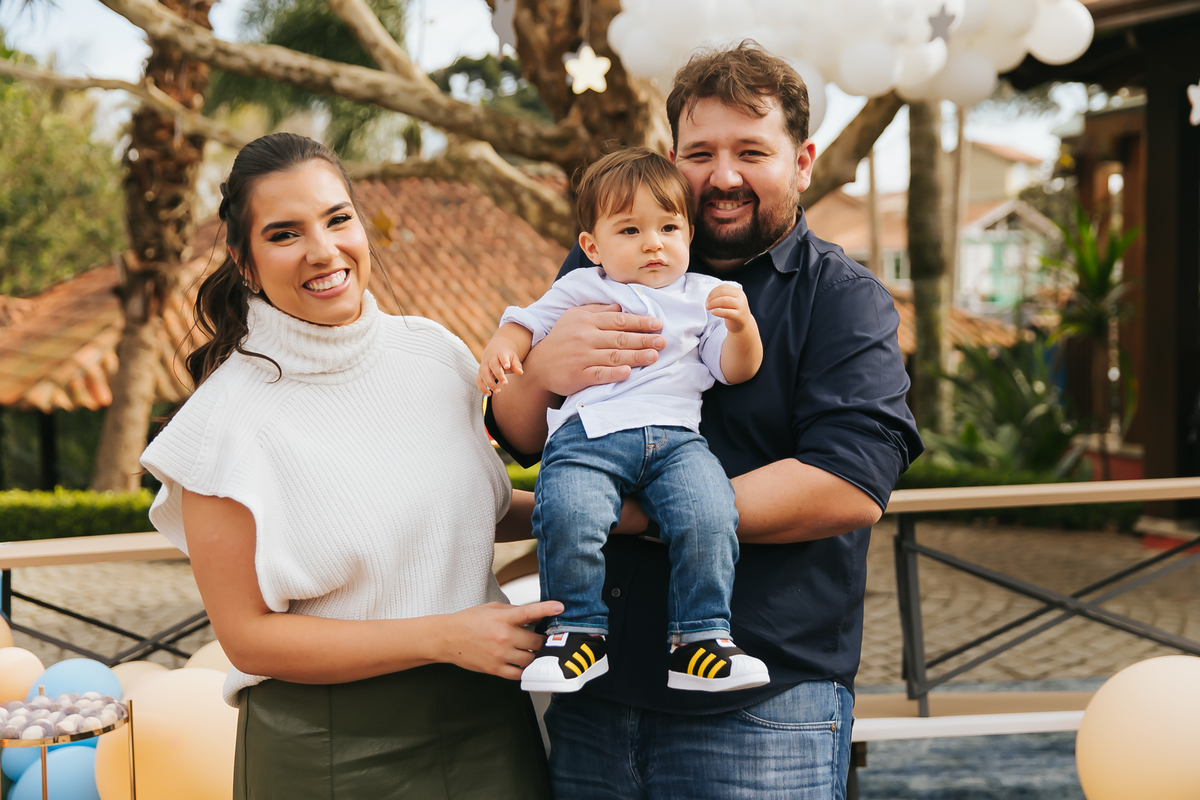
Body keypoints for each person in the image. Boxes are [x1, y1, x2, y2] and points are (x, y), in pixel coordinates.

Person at [487, 42, 924, 799]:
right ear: (671, 161)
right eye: (700, 154)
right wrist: (544, 368)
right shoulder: (602, 268)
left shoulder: (841, 299)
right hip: (596, 689)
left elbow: (848, 484)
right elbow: (521, 434)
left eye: (751, 151)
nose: (722, 176)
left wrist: (629, 512)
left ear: (802, 162)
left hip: (762, 700)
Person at [140, 133, 556, 800]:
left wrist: (615, 515)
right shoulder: (218, 430)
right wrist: (443, 636)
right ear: (244, 263)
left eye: (338, 219)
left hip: (488, 718)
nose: (323, 249)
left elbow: (461, 510)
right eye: (284, 234)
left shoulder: (435, 354)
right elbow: (248, 640)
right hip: (328, 746)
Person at [477, 147, 770, 695]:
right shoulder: (585, 286)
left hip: (677, 441)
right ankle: (576, 632)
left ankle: (701, 638)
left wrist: (742, 329)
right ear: (593, 246)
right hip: (589, 436)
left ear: (689, 235)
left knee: (710, 513)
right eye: (630, 230)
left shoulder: (705, 296)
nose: (653, 243)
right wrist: (504, 346)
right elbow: (526, 320)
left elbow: (733, 369)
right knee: (567, 512)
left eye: (668, 228)